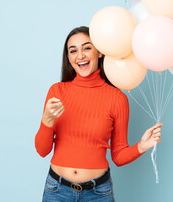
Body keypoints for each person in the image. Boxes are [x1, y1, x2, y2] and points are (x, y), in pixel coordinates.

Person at [35, 26, 163, 202]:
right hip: (57, 191)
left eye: (87, 48)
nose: (80, 56)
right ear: (68, 58)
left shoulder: (117, 98)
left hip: (97, 193)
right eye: (73, 51)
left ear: (100, 52)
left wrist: (142, 145)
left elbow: (118, 156)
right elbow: (42, 150)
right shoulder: (57, 91)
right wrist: (47, 119)